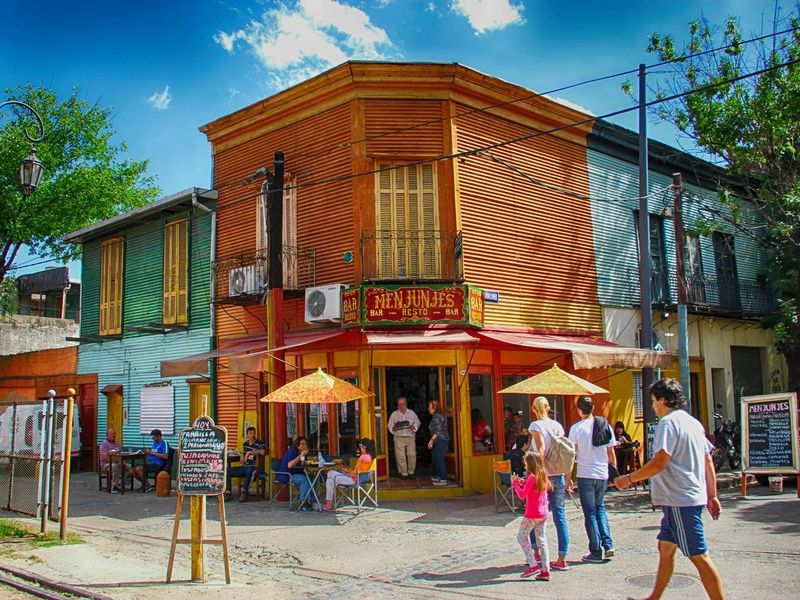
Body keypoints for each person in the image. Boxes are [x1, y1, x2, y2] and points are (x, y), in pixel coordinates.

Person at [615, 379, 724, 600]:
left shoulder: (667, 423)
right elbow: (708, 461)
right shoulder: (693, 423)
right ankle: (653, 597)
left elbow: (659, 462)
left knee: (699, 555)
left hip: (679, 499)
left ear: (663, 400)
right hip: (686, 497)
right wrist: (712, 495)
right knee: (665, 549)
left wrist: (628, 479)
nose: (652, 405)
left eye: (653, 400)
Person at [568, 396, 617, 563]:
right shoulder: (605, 425)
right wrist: (613, 474)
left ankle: (595, 551)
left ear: (579, 410)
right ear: (593, 408)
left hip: (585, 474)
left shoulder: (576, 428)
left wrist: (568, 477)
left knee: (590, 513)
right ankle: (608, 544)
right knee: (600, 508)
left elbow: (572, 455)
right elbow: (611, 452)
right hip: (602, 473)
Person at [528, 396, 571, 571]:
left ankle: (536, 553)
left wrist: (538, 472)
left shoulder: (535, 426)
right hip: (558, 473)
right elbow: (565, 451)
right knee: (560, 515)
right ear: (548, 408)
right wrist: (568, 476)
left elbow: (541, 449)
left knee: (534, 513)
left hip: (543, 475)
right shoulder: (557, 426)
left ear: (533, 409)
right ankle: (562, 557)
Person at [512, 451, 552, 581]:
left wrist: (515, 483)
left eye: (526, 463)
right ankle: (546, 570)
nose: (525, 466)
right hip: (543, 513)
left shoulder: (532, 477)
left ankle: (533, 564)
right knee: (542, 540)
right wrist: (523, 481)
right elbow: (533, 488)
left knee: (521, 537)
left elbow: (522, 495)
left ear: (530, 464)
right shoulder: (543, 475)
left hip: (531, 514)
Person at [318, 438, 374, 512]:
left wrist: (345, 473)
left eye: (360, 446)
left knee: (330, 473)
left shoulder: (362, 457)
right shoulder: (370, 457)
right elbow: (358, 472)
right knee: (330, 480)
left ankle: (328, 505)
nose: (359, 448)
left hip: (353, 481)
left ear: (363, 447)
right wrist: (347, 471)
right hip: (359, 479)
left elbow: (354, 474)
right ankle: (328, 505)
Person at [224, 426, 266, 503]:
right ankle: (228, 493)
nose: (252, 435)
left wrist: (250, 452)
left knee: (249, 471)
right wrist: (242, 456)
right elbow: (243, 455)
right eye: (250, 433)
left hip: (254, 467)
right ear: (247, 434)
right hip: (245, 466)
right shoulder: (245, 444)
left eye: (253, 433)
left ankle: (245, 492)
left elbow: (263, 452)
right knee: (227, 471)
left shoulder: (259, 443)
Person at [276, 436, 314, 511]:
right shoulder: (292, 451)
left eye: (306, 444)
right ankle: (303, 502)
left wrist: (304, 468)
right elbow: (290, 465)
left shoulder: (303, 453)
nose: (305, 446)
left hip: (295, 473)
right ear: (297, 445)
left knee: (312, 478)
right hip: (286, 475)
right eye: (302, 444)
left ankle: (310, 500)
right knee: (304, 479)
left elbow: (302, 465)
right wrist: (301, 455)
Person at [387, 396, 420, 479]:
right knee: (400, 456)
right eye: (399, 404)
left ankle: (411, 472)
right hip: (399, 437)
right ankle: (404, 473)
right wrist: (393, 428)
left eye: (402, 404)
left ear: (406, 404)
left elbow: (417, 422)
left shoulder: (411, 413)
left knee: (412, 454)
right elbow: (389, 425)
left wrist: (414, 426)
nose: (401, 406)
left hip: (410, 436)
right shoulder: (394, 414)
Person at [129, 429, 168, 493]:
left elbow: (165, 456)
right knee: (132, 471)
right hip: (149, 462)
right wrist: (148, 452)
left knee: (138, 469)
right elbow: (152, 452)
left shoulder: (164, 443)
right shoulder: (154, 443)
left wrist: (152, 453)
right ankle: (144, 483)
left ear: (158, 436)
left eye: (154, 437)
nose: (153, 439)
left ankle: (147, 486)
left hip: (157, 463)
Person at [427, 400, 449, 486]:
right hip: (438, 440)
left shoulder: (436, 416)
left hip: (441, 440)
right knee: (435, 458)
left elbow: (438, 431)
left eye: (430, 407)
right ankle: (440, 476)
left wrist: (431, 440)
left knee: (439, 459)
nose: (428, 409)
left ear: (434, 408)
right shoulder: (438, 415)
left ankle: (443, 479)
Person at [99, 428, 123, 493]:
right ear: (107, 435)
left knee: (128, 466)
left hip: (117, 462)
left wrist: (119, 459)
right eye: (112, 434)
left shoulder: (117, 444)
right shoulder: (104, 444)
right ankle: (114, 487)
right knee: (115, 466)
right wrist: (114, 460)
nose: (114, 435)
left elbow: (120, 455)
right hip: (106, 464)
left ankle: (123, 483)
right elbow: (104, 457)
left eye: (114, 434)